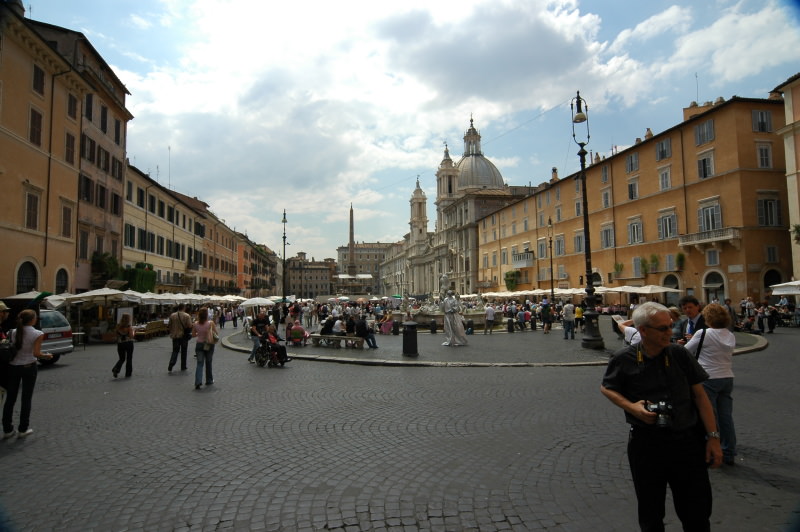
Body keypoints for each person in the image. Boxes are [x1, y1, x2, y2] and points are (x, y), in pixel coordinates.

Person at [601, 302, 722, 531]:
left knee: (696, 513)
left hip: (686, 441)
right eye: (663, 328)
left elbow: (701, 397)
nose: (671, 332)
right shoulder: (623, 358)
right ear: (643, 331)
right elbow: (607, 388)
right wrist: (633, 408)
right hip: (646, 444)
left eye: (670, 326)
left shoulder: (679, 354)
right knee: (650, 513)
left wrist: (713, 438)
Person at [684, 303, 737, 466]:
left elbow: (686, 351)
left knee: (709, 416)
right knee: (725, 416)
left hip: (708, 378)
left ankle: (711, 450)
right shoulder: (729, 335)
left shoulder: (703, 333)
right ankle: (729, 452)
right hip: (727, 377)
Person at [2, 309, 53, 439]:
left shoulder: (12, 332)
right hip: (29, 367)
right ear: (32, 320)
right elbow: (36, 353)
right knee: (26, 398)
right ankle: (23, 428)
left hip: (13, 367)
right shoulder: (37, 333)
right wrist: (46, 356)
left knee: (10, 398)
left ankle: (7, 429)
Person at [192, 307, 218, 390]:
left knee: (199, 363)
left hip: (199, 344)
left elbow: (193, 335)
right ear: (207, 315)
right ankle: (209, 380)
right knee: (208, 362)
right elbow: (216, 333)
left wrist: (199, 333)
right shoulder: (211, 323)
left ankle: (198, 381)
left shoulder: (195, 323)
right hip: (209, 344)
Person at [167, 303, 193, 372]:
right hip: (183, 336)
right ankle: (183, 366)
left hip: (175, 335)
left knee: (175, 350)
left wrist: (172, 331)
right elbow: (190, 325)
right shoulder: (187, 316)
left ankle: (171, 363)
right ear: (184, 308)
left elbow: (169, 325)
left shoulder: (172, 315)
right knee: (184, 351)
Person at [112, 313, 135, 378]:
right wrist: (133, 332)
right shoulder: (129, 327)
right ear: (129, 319)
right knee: (129, 358)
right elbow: (131, 336)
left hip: (120, 344)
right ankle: (128, 373)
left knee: (122, 358)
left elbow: (116, 335)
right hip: (128, 343)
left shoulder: (118, 326)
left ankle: (116, 368)